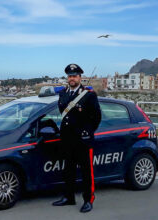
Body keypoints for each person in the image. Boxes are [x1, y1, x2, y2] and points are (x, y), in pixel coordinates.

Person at [52, 64, 102, 213]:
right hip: (67, 138)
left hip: (83, 140)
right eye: (69, 76)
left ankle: (88, 200)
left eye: (74, 75)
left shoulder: (88, 95)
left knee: (87, 171)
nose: (72, 78)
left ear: (80, 77)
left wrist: (87, 132)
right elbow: (64, 114)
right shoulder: (63, 94)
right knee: (68, 169)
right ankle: (69, 197)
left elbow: (97, 117)